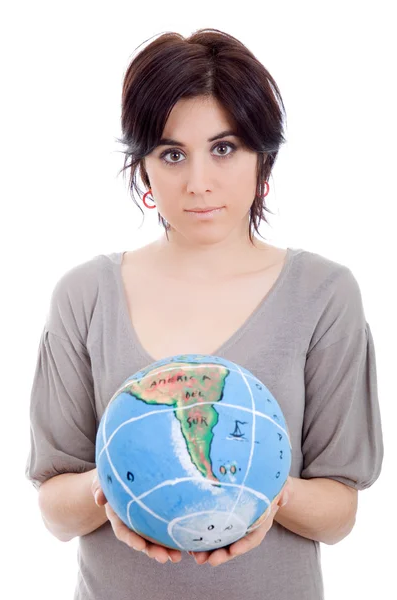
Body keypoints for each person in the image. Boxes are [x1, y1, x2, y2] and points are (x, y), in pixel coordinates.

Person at [25, 28, 384, 600]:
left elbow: (339, 513)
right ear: (142, 167)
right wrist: (116, 489)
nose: (198, 183)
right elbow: (55, 511)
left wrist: (260, 494)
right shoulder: (84, 294)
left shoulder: (324, 293)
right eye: (172, 154)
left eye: (224, 148)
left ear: (262, 156)